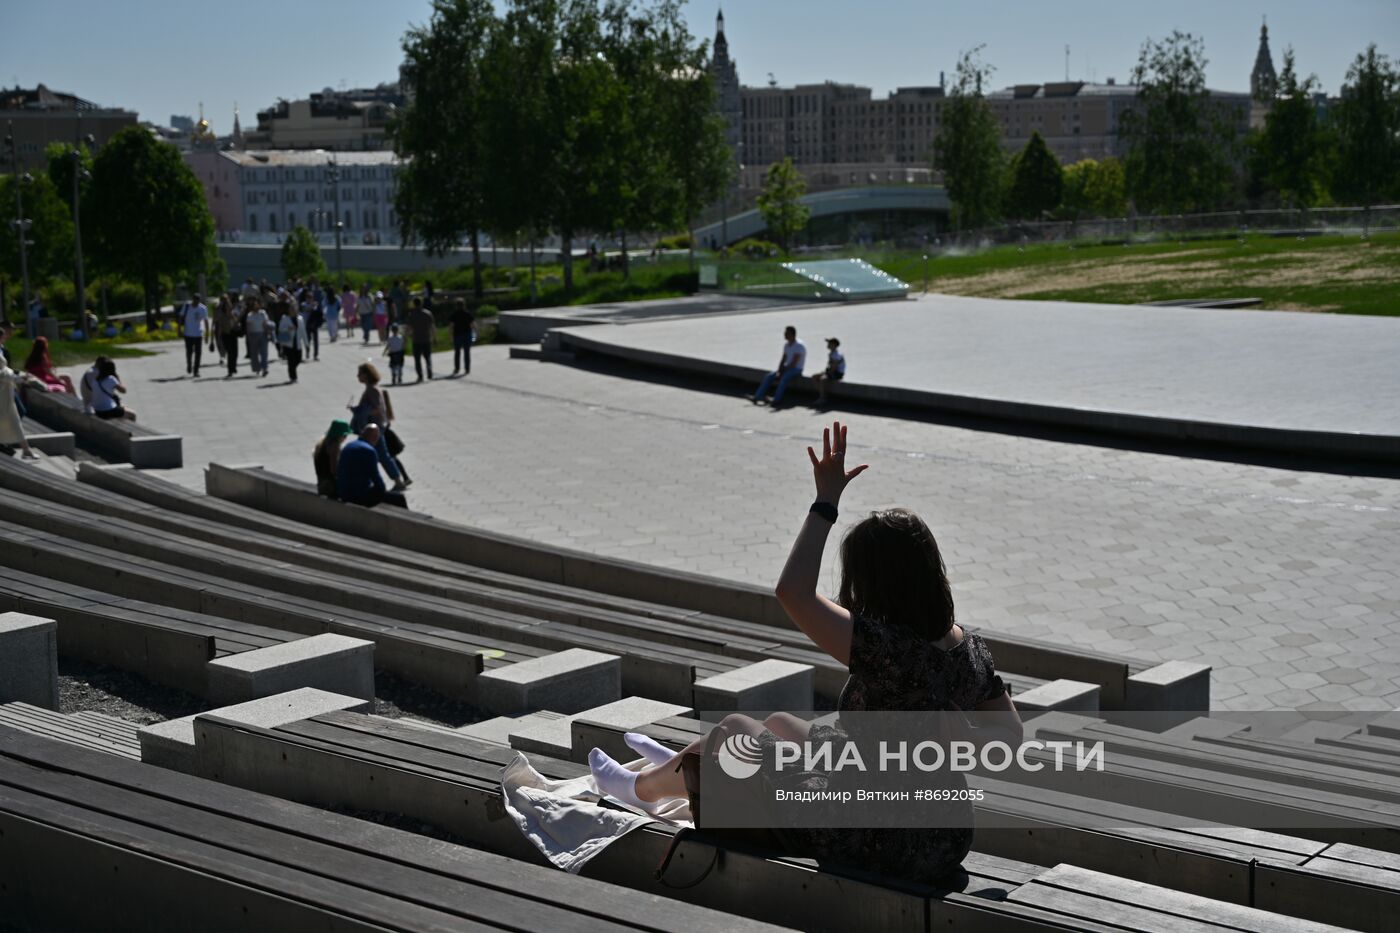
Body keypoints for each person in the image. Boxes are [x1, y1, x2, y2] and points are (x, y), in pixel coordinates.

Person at [588, 421, 1021, 887]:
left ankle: (640, 788)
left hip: (877, 835)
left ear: (876, 583)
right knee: (780, 725)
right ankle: (677, 768)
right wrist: (962, 739)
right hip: (945, 833)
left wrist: (825, 502)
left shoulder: (884, 647)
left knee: (735, 732)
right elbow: (1011, 740)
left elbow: (791, 591)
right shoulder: (967, 650)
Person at [348, 362, 405, 490]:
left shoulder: (372, 390)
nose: (358, 376)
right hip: (374, 428)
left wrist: (360, 411)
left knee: (379, 455)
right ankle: (395, 480)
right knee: (378, 455)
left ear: (367, 375)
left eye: (360, 374)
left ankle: (396, 481)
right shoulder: (370, 389)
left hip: (374, 429)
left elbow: (377, 408)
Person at [336, 423, 407, 509]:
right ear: (375, 437)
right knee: (399, 498)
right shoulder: (369, 451)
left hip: (343, 493)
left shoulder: (349, 446)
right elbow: (377, 480)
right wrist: (382, 492)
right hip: (358, 497)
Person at [752, 325, 806, 408]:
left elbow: (794, 363)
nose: (784, 334)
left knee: (783, 379)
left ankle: (776, 400)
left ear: (792, 334)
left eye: (786, 333)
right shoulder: (786, 345)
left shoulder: (799, 346)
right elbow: (783, 359)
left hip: (796, 369)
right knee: (769, 376)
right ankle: (757, 396)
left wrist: (782, 372)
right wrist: (779, 370)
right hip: (787, 368)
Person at [0, 360, 36, 458]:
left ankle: (26, 450)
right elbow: (5, 374)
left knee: (16, 424)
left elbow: (6, 372)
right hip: (3, 402)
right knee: (15, 425)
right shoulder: (6, 374)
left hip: (6, 402)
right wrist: (21, 377)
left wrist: (20, 377)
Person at [313, 419, 352, 498]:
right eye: (345, 435)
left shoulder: (322, 443)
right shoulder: (334, 446)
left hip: (321, 484)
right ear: (340, 435)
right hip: (330, 487)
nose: (345, 438)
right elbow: (334, 470)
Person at [277, 301, 310, 383]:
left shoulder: (300, 319)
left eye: (294, 308)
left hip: (297, 343)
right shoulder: (284, 318)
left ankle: (292, 369)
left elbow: (303, 332)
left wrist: (306, 344)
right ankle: (293, 377)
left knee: (298, 359)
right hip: (288, 344)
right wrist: (288, 329)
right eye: (291, 308)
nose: (293, 310)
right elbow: (280, 330)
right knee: (291, 361)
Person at [811, 337, 846, 408]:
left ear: (834, 345)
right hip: (832, 371)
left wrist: (825, 374)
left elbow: (834, 368)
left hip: (837, 373)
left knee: (822, 379)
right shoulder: (832, 353)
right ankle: (822, 394)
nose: (828, 344)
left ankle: (822, 398)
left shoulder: (836, 355)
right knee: (814, 376)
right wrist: (824, 372)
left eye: (829, 343)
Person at [181, 294, 209, 377]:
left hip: (198, 334)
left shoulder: (203, 308)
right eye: (195, 299)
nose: (196, 301)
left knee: (198, 353)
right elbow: (180, 317)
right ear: (192, 299)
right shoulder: (187, 307)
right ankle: (189, 364)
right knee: (189, 352)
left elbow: (206, 321)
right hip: (188, 333)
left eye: (198, 300)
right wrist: (179, 329)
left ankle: (196, 370)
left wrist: (207, 334)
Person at [213, 295, 240, 378]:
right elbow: (219, 327)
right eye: (227, 305)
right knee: (230, 353)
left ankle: (233, 367)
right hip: (225, 335)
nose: (228, 307)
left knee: (235, 353)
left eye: (229, 305)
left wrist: (234, 319)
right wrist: (218, 338)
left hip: (233, 334)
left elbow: (237, 323)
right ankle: (230, 370)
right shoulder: (221, 315)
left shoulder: (233, 314)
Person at [408, 298, 435, 382]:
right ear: (421, 303)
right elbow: (432, 327)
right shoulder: (428, 314)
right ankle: (429, 372)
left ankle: (420, 375)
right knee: (427, 357)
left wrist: (410, 335)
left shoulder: (412, 315)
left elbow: (409, 328)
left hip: (416, 339)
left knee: (417, 359)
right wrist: (434, 337)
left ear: (414, 304)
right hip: (426, 338)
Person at [244, 298, 271, 377]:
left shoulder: (263, 313)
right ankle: (257, 368)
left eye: (257, 304)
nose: (256, 306)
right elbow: (248, 326)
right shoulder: (250, 315)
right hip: (253, 335)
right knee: (254, 353)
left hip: (263, 334)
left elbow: (266, 323)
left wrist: (268, 333)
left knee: (264, 353)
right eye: (254, 305)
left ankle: (265, 368)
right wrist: (248, 337)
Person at [450, 299, 476, 376]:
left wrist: (450, 336)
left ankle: (457, 368)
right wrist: (474, 337)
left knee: (457, 352)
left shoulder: (454, 314)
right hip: (467, 335)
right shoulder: (467, 314)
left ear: (456, 305)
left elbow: (451, 326)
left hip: (457, 335)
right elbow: (473, 326)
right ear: (464, 305)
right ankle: (467, 369)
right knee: (467, 352)